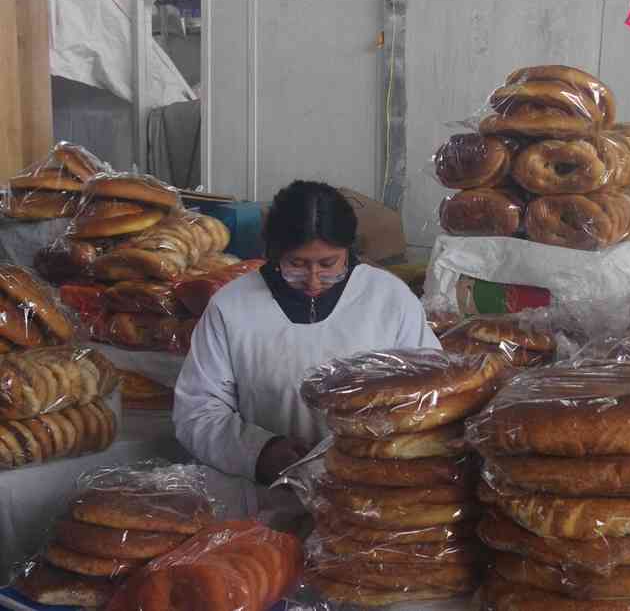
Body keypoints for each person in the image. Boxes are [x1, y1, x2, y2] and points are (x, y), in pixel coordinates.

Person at [173, 180, 439, 516]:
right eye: (296, 264)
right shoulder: (232, 307)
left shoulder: (389, 299)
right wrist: (260, 452)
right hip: (265, 499)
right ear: (273, 253)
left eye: (329, 265)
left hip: (372, 500)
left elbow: (430, 393)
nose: (313, 281)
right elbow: (196, 410)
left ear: (350, 251)